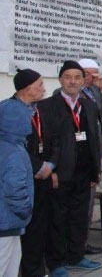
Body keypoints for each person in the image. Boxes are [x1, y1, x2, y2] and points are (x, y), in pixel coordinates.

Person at [40, 61, 102, 274]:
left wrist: (95, 171)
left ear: (83, 80)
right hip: (60, 174)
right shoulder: (47, 106)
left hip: (84, 173)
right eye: (68, 77)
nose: (73, 81)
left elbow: (94, 139)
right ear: (60, 80)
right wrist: (52, 171)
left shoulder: (89, 106)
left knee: (79, 218)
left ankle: (76, 256)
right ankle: (56, 263)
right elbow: (46, 142)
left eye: (77, 77)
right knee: (57, 219)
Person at [75, 59, 102, 255]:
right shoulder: (66, 94)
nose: (89, 78)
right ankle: (73, 242)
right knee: (75, 200)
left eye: (94, 75)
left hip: (95, 149)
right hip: (76, 153)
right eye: (86, 74)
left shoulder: (95, 91)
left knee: (90, 198)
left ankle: (82, 241)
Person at [7, 70, 44, 277]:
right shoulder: (11, 113)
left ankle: (35, 269)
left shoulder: (40, 108)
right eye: (39, 85)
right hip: (21, 183)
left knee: (36, 229)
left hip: (39, 178)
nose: (44, 88)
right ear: (27, 88)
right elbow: (14, 148)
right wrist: (37, 167)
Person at [0, 95, 35, 277]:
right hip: (7, 223)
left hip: (9, 223)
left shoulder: (9, 145)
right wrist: (26, 211)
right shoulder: (13, 152)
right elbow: (14, 189)